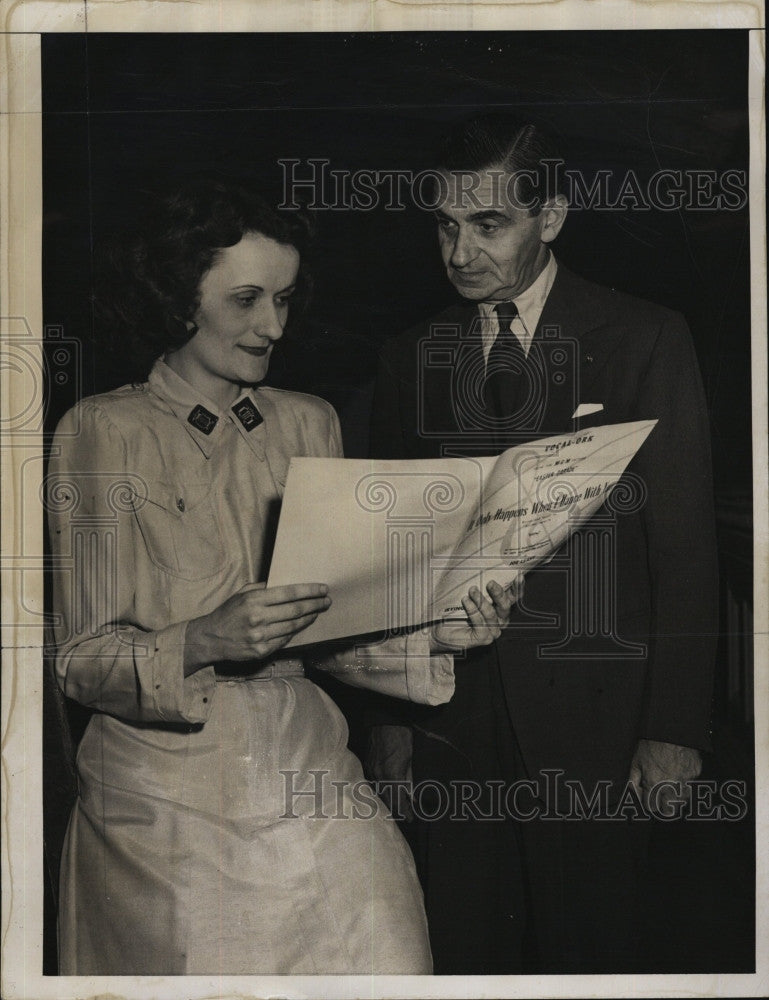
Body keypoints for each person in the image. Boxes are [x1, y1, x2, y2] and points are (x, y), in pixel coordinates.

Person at [47, 178, 513, 975]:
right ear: (175, 299)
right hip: (163, 796)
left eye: (286, 299)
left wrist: (439, 630)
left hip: (312, 771)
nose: (273, 326)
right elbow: (82, 658)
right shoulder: (102, 430)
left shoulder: (309, 422)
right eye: (246, 300)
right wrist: (200, 638)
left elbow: (336, 634)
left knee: (389, 954)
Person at [367, 115, 719, 973]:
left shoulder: (644, 337)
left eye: (488, 225)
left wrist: (673, 731)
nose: (459, 253)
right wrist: (388, 729)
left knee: (591, 953)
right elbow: (385, 561)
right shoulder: (408, 357)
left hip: (598, 727)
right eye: (445, 226)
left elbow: (683, 550)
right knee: (460, 952)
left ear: (550, 216)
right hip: (450, 724)